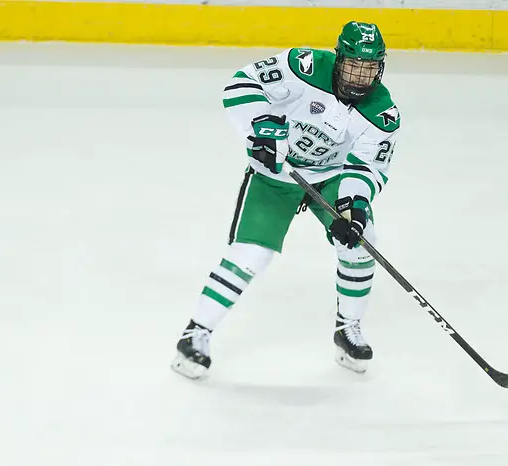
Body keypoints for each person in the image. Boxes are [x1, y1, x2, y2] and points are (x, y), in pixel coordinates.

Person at [171, 21, 400, 378]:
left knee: (362, 241)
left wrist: (353, 206)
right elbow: (241, 84)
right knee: (252, 253)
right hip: (276, 174)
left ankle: (348, 327)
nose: (359, 76)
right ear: (339, 58)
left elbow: (367, 166)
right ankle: (195, 333)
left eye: (369, 69)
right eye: (353, 64)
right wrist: (261, 127)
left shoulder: (383, 113)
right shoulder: (303, 65)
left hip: (331, 177)